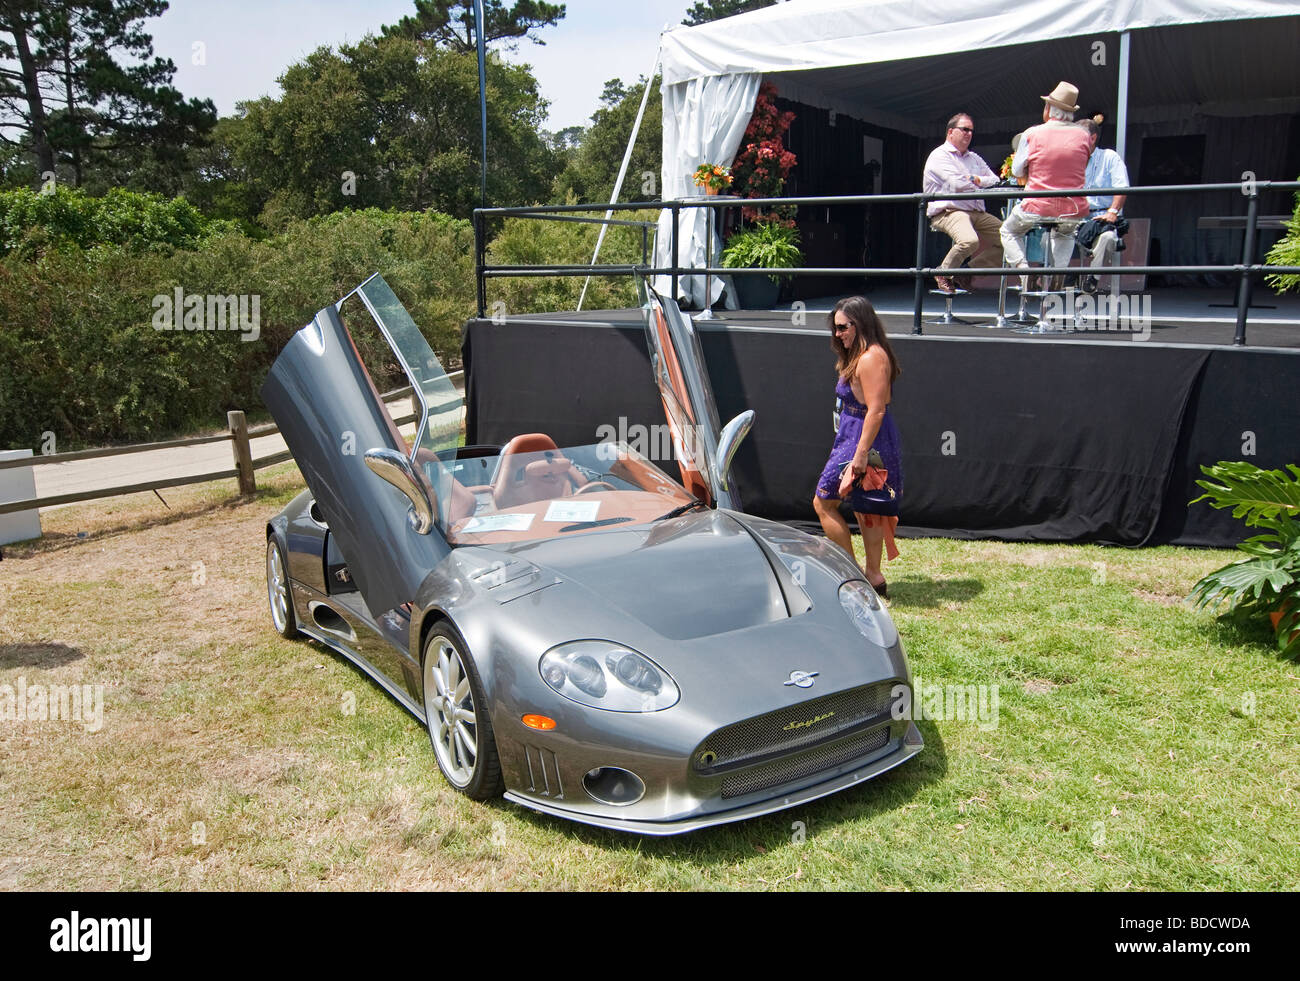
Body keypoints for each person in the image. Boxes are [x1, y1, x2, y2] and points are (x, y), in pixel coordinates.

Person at [813, 296, 902, 597]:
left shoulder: (871, 357)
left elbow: (876, 410)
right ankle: (871, 578)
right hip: (854, 436)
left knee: (825, 502)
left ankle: (859, 577)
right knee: (866, 507)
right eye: (835, 328)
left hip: (865, 439)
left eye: (842, 328)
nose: (837, 334)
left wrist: (861, 454)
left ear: (860, 324)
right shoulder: (859, 354)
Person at [1000, 82, 1092, 291]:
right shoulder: (1084, 135)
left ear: (1049, 109)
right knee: (1065, 233)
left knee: (1008, 230)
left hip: (1038, 205)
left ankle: (1024, 272)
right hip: (1074, 208)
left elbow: (1016, 171)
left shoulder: (1032, 133)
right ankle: (1058, 272)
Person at [922, 112, 1002, 293]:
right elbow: (957, 184)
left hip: (976, 211)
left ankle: (965, 273)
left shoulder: (974, 157)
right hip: (949, 210)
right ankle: (943, 272)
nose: (969, 134)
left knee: (1010, 240)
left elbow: (995, 180)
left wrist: (975, 179)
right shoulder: (939, 155)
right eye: (964, 129)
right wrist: (979, 182)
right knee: (969, 241)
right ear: (950, 132)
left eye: (971, 131)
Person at [1078, 117, 1130, 293]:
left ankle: (1093, 277)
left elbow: (1122, 187)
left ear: (1092, 138)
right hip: (1076, 217)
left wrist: (1112, 212)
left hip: (1101, 217)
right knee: (1048, 237)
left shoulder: (1109, 157)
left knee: (1107, 236)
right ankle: (1048, 277)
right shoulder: (1071, 160)